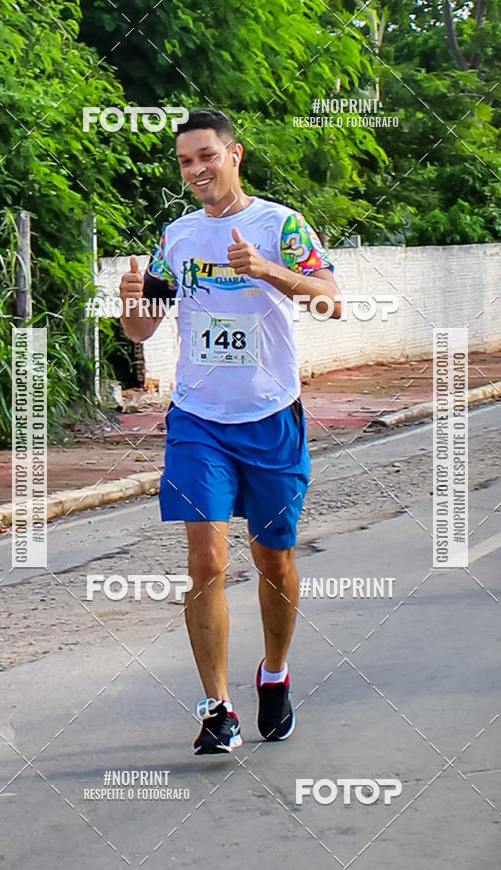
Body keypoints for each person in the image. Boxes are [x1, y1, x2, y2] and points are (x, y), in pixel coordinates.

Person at [120, 108, 341, 754]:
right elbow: (144, 330)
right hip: (197, 421)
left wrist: (268, 270)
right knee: (205, 561)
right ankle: (217, 707)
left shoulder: (280, 225)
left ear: (234, 154)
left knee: (273, 559)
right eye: (186, 161)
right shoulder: (177, 238)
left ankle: (274, 673)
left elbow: (331, 298)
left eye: (206, 157)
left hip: (271, 415)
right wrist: (132, 303)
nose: (196, 171)